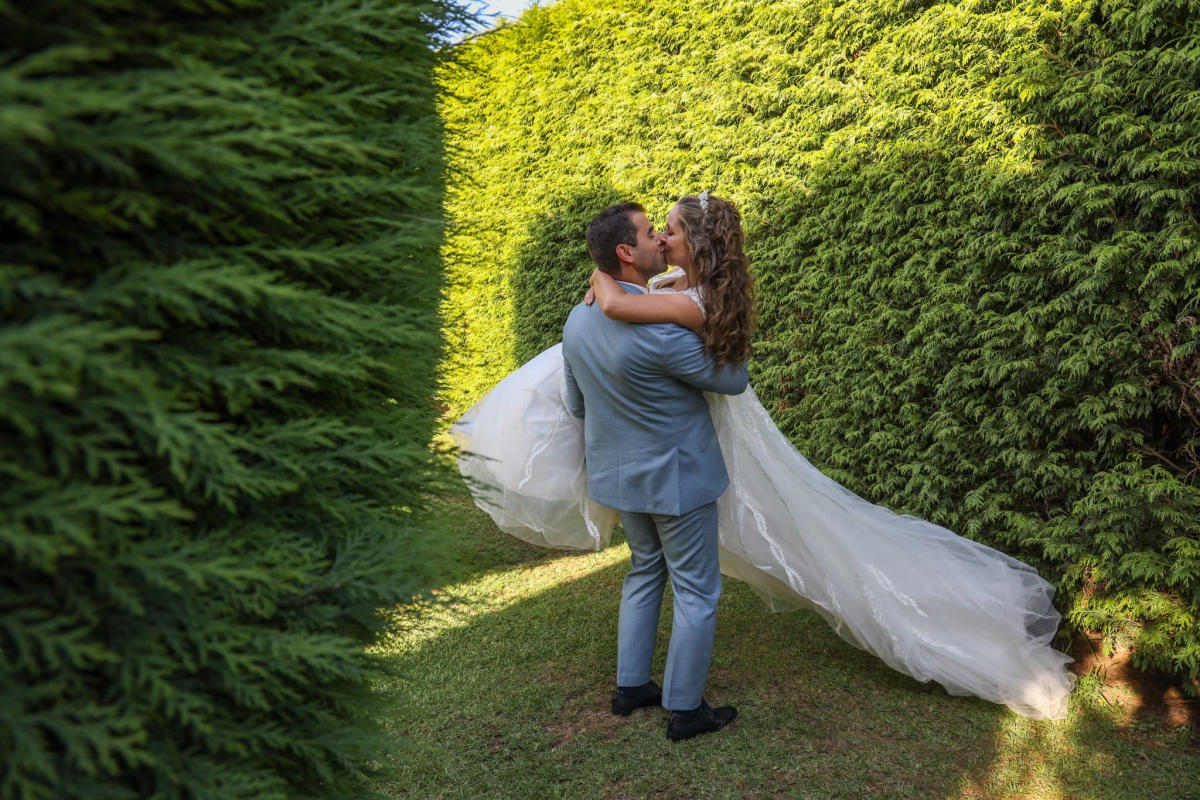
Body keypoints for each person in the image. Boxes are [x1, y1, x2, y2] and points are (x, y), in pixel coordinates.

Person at [451, 193, 1077, 723]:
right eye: (651, 233)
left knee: (645, 572)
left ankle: (629, 688)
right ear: (626, 252)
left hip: (618, 476)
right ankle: (685, 708)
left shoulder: (578, 318)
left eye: (665, 231)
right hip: (676, 477)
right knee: (697, 591)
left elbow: (577, 403)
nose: (659, 240)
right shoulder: (665, 330)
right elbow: (730, 383)